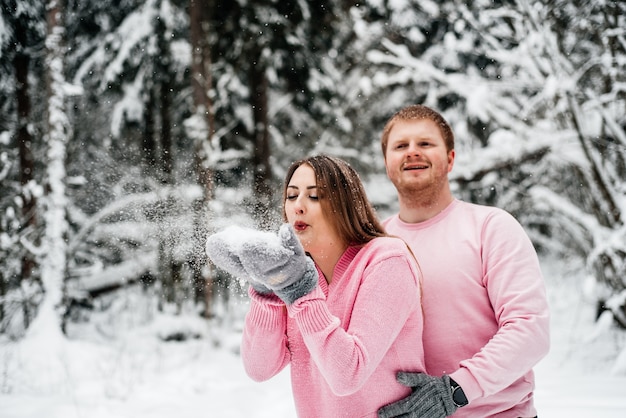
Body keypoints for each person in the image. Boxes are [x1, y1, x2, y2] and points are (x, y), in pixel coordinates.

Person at [205, 155, 426, 418]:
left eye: (314, 196)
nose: (298, 206)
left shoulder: (387, 260)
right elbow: (259, 369)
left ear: (345, 204)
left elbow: (348, 374)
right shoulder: (295, 272)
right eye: (291, 196)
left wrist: (301, 293)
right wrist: (267, 290)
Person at [376, 104, 550, 418]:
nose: (412, 152)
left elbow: (529, 330)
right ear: (387, 164)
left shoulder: (491, 227)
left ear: (451, 159)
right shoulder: (374, 244)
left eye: (425, 143)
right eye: (400, 146)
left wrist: (457, 389)